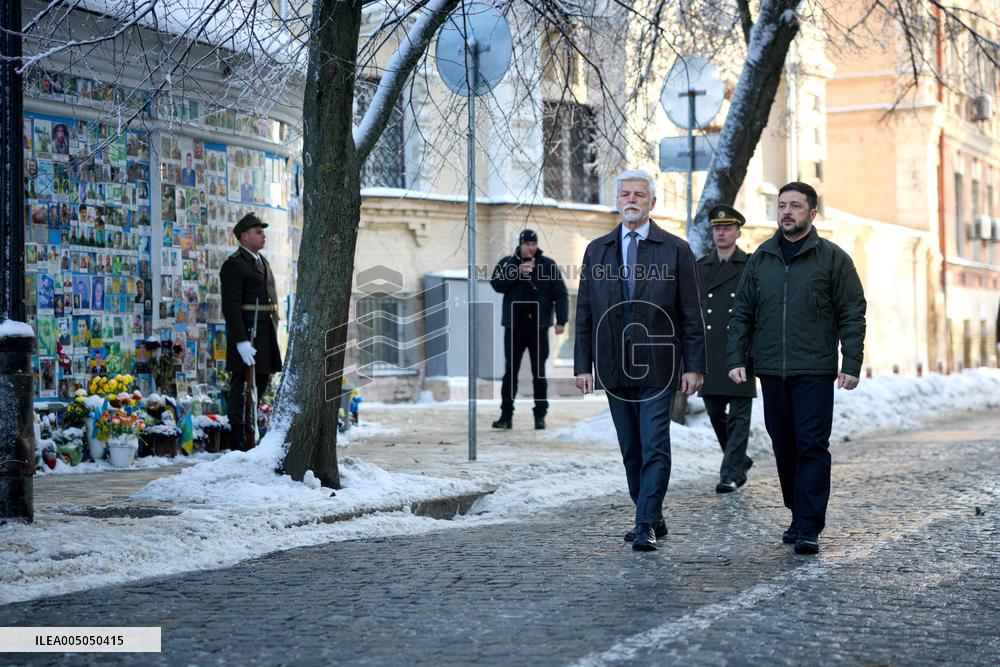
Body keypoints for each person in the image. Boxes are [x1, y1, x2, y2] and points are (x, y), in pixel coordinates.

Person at [727, 181, 866, 555]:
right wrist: (736, 358)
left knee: (811, 446)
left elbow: (852, 313)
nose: (786, 212)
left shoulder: (833, 259)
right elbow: (743, 312)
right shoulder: (762, 258)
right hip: (771, 369)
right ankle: (797, 512)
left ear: (812, 213)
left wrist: (850, 362)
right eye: (782, 205)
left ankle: (809, 524)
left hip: (815, 370)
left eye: (795, 206)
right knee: (784, 446)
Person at [574, 169, 705, 551]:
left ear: (652, 203)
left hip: (659, 364)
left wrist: (694, 364)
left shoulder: (675, 249)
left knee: (654, 445)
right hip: (614, 364)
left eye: (640, 195)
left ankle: (644, 521)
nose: (632, 200)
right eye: (626, 194)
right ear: (618, 201)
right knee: (631, 448)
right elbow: (585, 311)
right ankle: (653, 513)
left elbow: (691, 313)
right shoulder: (597, 250)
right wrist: (584, 365)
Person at [696, 204, 756, 494]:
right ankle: (740, 460)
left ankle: (729, 472)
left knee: (740, 415)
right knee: (715, 411)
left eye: (727, 228)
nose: (721, 232)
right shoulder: (701, 265)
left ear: (737, 232)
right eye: (717, 228)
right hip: (709, 351)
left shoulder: (750, 265)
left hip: (741, 349)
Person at [489, 229, 568, 430]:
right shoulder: (508, 262)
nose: (530, 248)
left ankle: (540, 416)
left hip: (538, 327)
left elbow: (560, 294)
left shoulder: (547, 265)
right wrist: (516, 271)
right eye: (527, 244)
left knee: (539, 373)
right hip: (515, 327)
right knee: (511, 372)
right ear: (521, 245)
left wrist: (562, 320)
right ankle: (506, 416)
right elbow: (497, 284)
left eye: (533, 244)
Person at [220, 213, 282, 451]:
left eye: (263, 231)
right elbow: (231, 306)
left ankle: (251, 423)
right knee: (240, 383)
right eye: (258, 231)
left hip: (265, 331)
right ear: (244, 236)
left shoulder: (262, 261)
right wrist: (241, 340)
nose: (263, 234)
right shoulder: (234, 264)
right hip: (247, 332)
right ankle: (237, 434)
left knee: (262, 378)